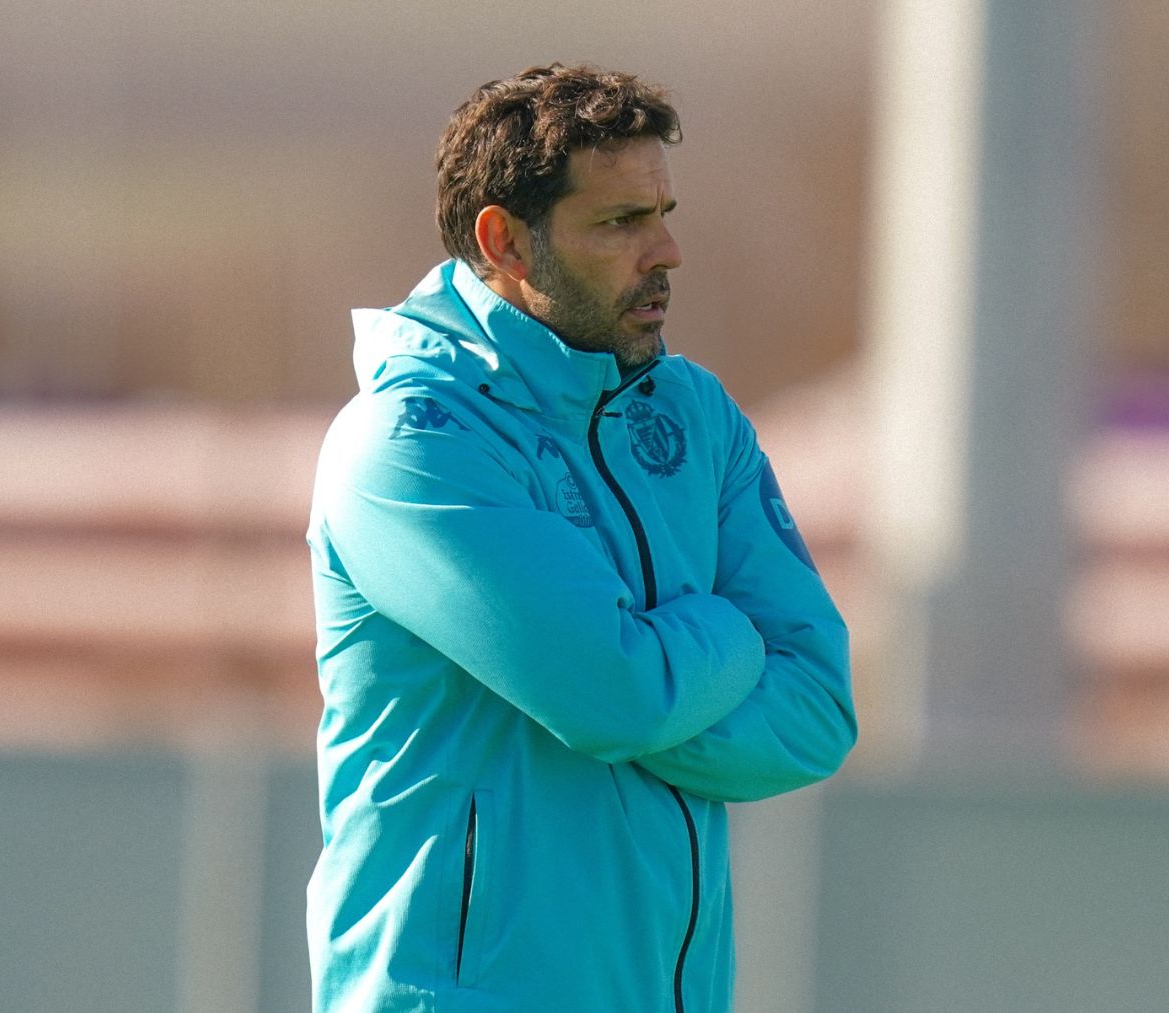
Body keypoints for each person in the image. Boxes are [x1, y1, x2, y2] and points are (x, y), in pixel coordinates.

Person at [306, 64, 857, 1012]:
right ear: (506, 242)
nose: (666, 251)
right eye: (619, 222)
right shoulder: (411, 444)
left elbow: (817, 710)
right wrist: (727, 631)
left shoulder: (696, 415)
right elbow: (617, 696)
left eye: (662, 212)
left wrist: (635, 684)